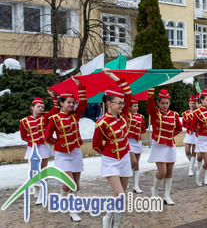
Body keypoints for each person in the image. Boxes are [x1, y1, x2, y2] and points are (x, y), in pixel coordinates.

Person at [93, 71, 132, 227]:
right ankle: (107, 217)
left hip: (125, 158)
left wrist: (111, 75)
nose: (122, 105)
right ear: (109, 103)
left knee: (122, 195)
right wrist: (110, 151)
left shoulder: (124, 115)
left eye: (122, 103)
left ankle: (116, 223)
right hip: (111, 160)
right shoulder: (101, 123)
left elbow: (127, 91)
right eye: (119, 103)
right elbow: (96, 145)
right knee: (120, 194)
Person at [45, 77, 87, 222]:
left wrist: (79, 85)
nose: (72, 105)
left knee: (76, 183)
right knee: (70, 183)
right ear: (61, 103)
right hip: (62, 155)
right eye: (68, 102)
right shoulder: (54, 119)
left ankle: (64, 199)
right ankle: (72, 211)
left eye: (73, 102)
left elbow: (83, 103)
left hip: (75, 152)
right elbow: (47, 136)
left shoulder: (76, 115)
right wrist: (58, 143)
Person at [20, 91, 59, 205]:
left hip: (43, 147)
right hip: (32, 148)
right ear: (32, 107)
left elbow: (56, 108)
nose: (41, 108)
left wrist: (53, 96)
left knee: (43, 170)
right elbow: (23, 136)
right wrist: (32, 141)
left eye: (42, 106)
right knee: (33, 171)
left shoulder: (46, 117)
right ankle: (37, 189)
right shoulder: (24, 121)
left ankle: (42, 193)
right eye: (38, 106)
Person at [147, 88, 182, 205]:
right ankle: (154, 190)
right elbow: (149, 102)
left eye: (167, 103)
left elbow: (179, 128)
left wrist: (170, 136)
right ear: (158, 103)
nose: (165, 105)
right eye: (162, 103)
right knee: (162, 171)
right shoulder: (155, 113)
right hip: (158, 145)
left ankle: (167, 195)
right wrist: (151, 88)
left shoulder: (174, 115)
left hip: (170, 145)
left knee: (169, 171)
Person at [192, 88, 207, 190]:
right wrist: (199, 129)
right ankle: (199, 174)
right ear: (201, 100)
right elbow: (192, 126)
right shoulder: (197, 112)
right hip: (203, 140)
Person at [127, 96, 146, 194]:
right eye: (134, 106)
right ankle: (126, 177)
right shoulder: (126, 115)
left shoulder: (140, 117)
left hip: (137, 141)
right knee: (133, 161)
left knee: (136, 163)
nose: (136, 108)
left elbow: (143, 128)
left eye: (137, 106)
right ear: (129, 107)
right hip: (129, 141)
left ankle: (136, 185)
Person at [182, 95, 198, 176]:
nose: (191, 105)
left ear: (196, 103)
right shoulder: (185, 113)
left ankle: (190, 169)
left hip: (196, 133)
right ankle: (192, 163)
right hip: (189, 133)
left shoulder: (198, 112)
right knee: (187, 151)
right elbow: (183, 124)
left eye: (193, 103)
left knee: (194, 152)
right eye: (190, 103)